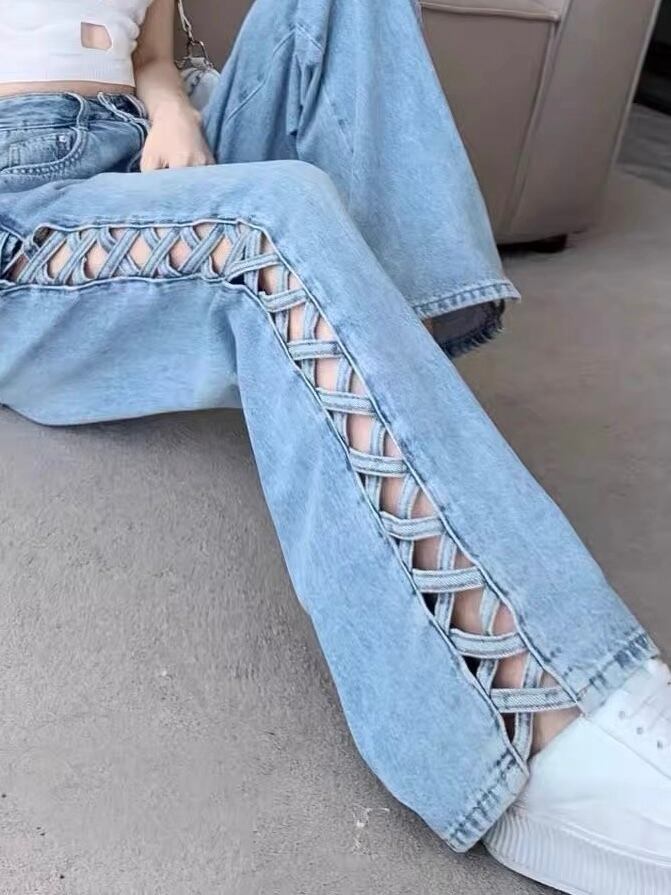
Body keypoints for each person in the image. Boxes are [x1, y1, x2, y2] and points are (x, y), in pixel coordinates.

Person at [0, 1, 668, 892]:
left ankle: (389, 406)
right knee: (271, 217)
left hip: (140, 148)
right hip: (24, 214)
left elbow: (150, 57)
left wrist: (172, 112)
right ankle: (523, 699)